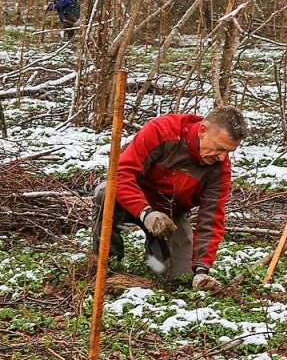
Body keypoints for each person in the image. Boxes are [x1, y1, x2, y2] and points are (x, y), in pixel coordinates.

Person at [91, 106, 247, 292]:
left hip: (170, 216)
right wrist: (145, 213)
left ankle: (152, 262)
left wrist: (201, 269)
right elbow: (122, 174)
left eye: (228, 151)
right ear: (203, 130)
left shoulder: (219, 167)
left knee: (178, 278)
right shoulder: (163, 130)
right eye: (219, 148)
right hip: (132, 200)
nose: (222, 157)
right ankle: (107, 262)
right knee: (105, 193)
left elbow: (211, 219)